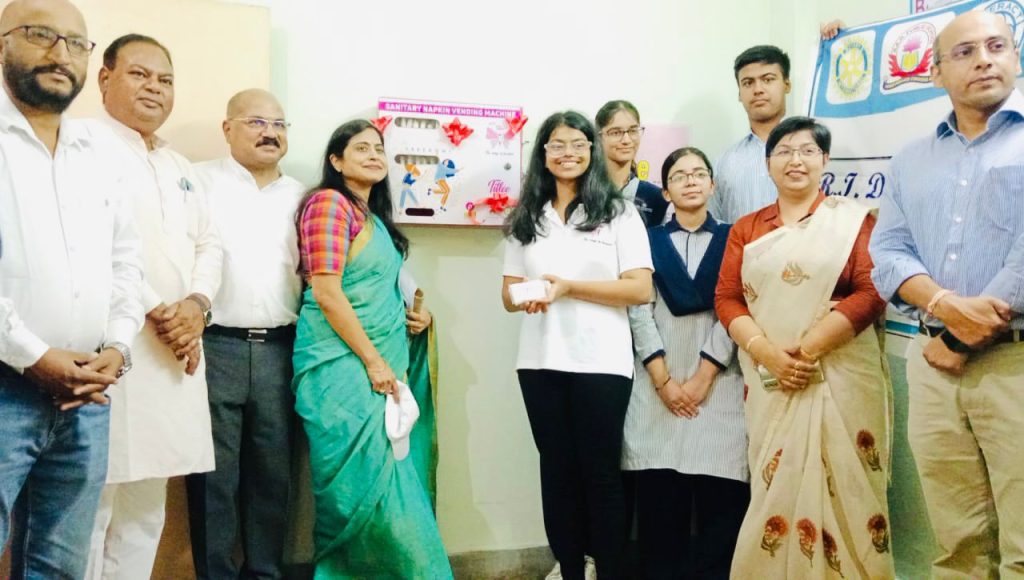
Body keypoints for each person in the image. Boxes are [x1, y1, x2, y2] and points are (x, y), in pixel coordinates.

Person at [869, 11, 1024, 577]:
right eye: (964, 52)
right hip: (931, 366)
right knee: (955, 542)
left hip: (1013, 362)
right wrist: (943, 307)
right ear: (936, 73)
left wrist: (960, 333)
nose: (984, 59)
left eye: (996, 46)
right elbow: (887, 252)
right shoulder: (912, 159)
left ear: (1015, 56)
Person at [0, 0, 144, 577]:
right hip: (7, 386)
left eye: (76, 43)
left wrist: (117, 350)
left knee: (59, 566)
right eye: (40, 35)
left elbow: (126, 263)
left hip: (87, 397)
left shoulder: (99, 152)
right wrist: (34, 356)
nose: (60, 54)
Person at [715, 117, 893, 578]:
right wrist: (769, 354)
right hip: (772, 379)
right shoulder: (748, 229)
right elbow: (727, 298)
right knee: (775, 486)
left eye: (808, 150)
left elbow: (872, 291)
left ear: (824, 161)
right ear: (768, 163)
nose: (796, 160)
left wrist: (807, 349)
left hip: (841, 377)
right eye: (784, 151)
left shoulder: (851, 222)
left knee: (852, 490)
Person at [86, 34, 222, 580]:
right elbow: (96, 239)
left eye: (165, 80)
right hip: (111, 348)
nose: (155, 88)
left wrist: (198, 306)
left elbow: (211, 244)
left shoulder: (180, 164)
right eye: (140, 75)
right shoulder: (82, 147)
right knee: (93, 504)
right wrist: (162, 312)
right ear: (104, 79)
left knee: (148, 509)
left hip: (177, 355)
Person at [293, 119, 450, 578]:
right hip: (340, 370)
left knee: (392, 483)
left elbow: (386, 291)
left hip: (380, 367)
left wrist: (417, 319)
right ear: (335, 161)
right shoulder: (328, 205)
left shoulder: (375, 221)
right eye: (360, 148)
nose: (373, 155)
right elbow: (326, 292)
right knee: (356, 492)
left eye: (379, 148)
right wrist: (373, 360)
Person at [502, 110, 653, 580]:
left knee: (601, 474)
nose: (567, 153)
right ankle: (569, 568)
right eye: (557, 145)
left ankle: (606, 568)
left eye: (577, 144)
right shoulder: (526, 217)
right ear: (543, 155)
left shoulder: (618, 212)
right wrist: (524, 297)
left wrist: (569, 287)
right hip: (539, 360)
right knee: (557, 473)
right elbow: (508, 293)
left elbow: (638, 290)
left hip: (602, 363)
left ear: (592, 152)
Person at [185, 88, 303, 580]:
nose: (269, 132)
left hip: (282, 350)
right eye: (255, 122)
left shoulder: (304, 195)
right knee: (212, 477)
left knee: (274, 476)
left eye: (278, 124)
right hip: (216, 346)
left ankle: (266, 573)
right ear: (227, 128)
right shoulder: (196, 181)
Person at [623, 147, 748, 579]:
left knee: (723, 500)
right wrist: (663, 380)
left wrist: (701, 377)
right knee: (660, 501)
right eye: (680, 175)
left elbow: (735, 309)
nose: (691, 181)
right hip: (657, 381)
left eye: (699, 173)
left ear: (713, 184)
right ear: (667, 190)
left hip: (719, 383)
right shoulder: (645, 240)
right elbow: (638, 309)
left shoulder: (737, 239)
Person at [595, 100, 669, 226]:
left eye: (633, 131)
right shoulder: (584, 191)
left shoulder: (657, 197)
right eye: (616, 132)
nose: (626, 140)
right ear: (599, 137)